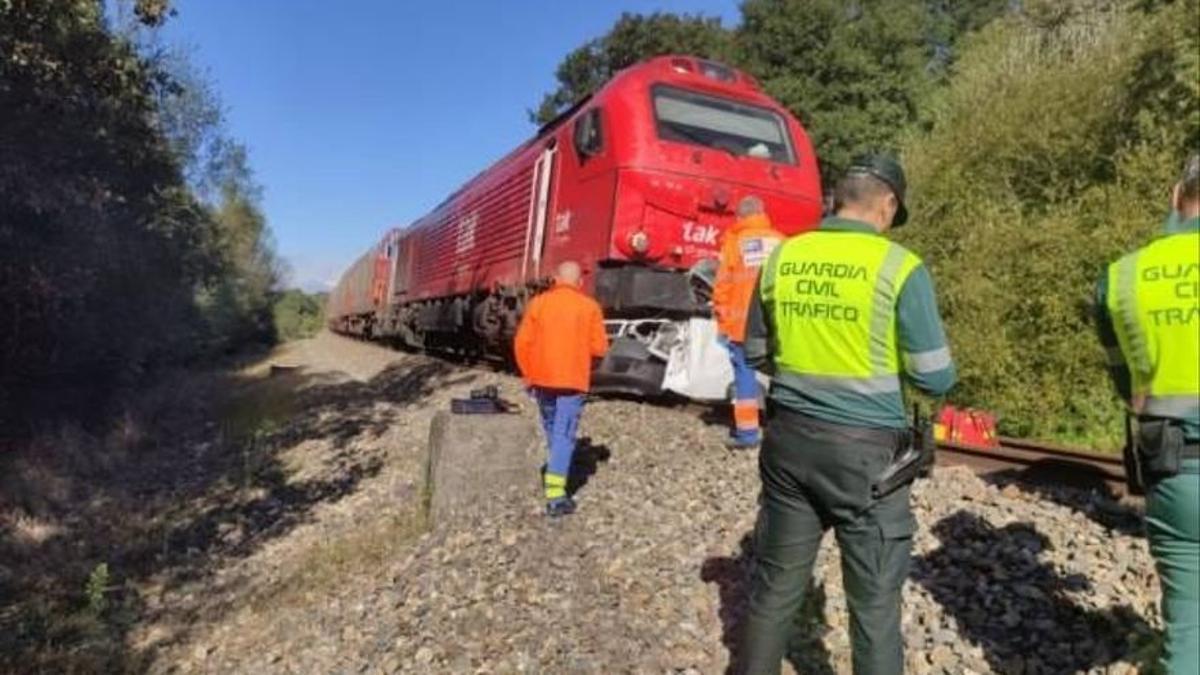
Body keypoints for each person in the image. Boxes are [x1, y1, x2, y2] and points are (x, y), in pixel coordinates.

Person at [739, 155, 957, 674]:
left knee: (773, 593)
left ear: (838, 198)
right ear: (886, 204)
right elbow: (935, 378)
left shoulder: (782, 258)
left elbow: (753, 351)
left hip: (788, 443)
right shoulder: (900, 267)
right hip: (869, 461)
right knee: (875, 608)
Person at [1096, 153, 1200, 674]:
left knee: (1188, 629)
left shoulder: (1122, 277)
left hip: (1176, 469)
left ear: (1176, 195)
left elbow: (1125, 382)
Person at [514, 260, 610, 517]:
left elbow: (522, 344)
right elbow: (599, 348)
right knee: (564, 435)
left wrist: (529, 375)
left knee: (553, 430)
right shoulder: (590, 307)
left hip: (542, 381)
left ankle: (556, 468)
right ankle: (556, 496)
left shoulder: (539, 304)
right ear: (579, 282)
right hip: (572, 382)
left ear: (556, 278)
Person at [713, 195, 786, 449]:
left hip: (742, 324)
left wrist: (721, 321)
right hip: (778, 323)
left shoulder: (735, 242)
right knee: (783, 374)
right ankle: (781, 430)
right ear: (762, 213)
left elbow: (723, 285)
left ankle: (747, 434)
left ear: (740, 217)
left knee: (745, 375)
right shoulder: (780, 241)